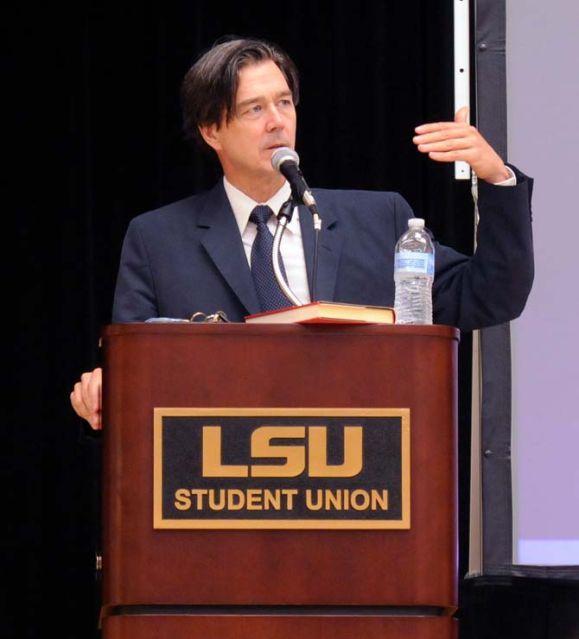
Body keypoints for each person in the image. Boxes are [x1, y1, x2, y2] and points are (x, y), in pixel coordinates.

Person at [70, 37, 534, 430]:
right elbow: (129, 373)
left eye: (284, 102)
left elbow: (491, 295)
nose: (277, 121)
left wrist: (496, 179)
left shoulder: (379, 219)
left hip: (360, 482)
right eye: (254, 109)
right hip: (219, 490)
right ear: (212, 130)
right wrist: (103, 392)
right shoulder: (158, 240)